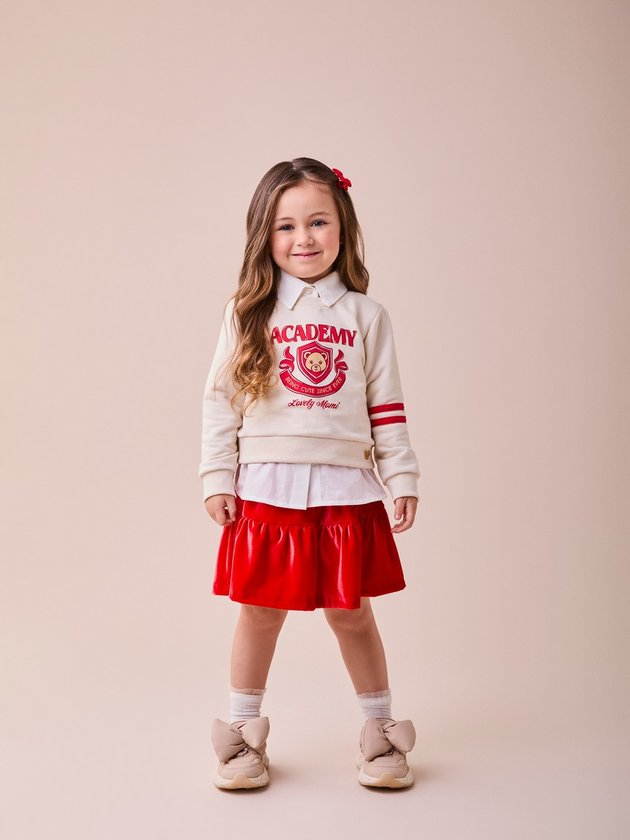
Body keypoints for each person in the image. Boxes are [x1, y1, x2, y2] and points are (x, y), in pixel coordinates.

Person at [199, 157, 421, 790]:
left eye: (318, 222)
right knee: (259, 611)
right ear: (264, 236)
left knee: (352, 613)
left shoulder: (368, 316)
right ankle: (243, 736)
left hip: (345, 488)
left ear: (343, 227)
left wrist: (401, 476)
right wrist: (217, 475)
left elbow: (386, 407)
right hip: (265, 488)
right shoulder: (247, 312)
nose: (304, 239)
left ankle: (379, 734)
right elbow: (220, 400)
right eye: (286, 226)